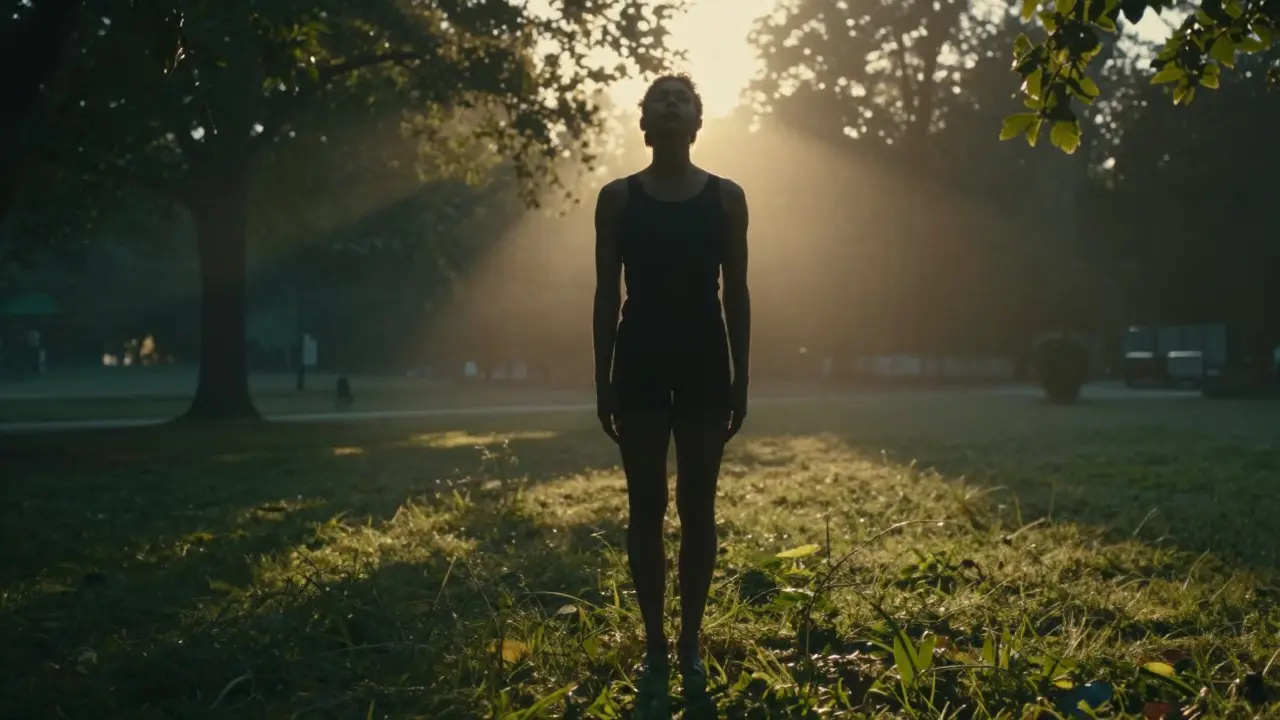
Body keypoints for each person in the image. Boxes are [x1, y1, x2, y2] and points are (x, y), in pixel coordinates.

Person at [592, 73, 751, 719]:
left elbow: (737, 291)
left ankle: (688, 643)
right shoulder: (618, 200)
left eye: (682, 97)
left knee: (698, 508)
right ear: (645, 122)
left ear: (696, 120)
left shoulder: (727, 198)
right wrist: (600, 378)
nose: (670, 102)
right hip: (641, 360)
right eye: (660, 97)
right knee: (646, 508)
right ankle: (655, 645)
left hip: (705, 360)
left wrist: (744, 376)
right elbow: (606, 294)